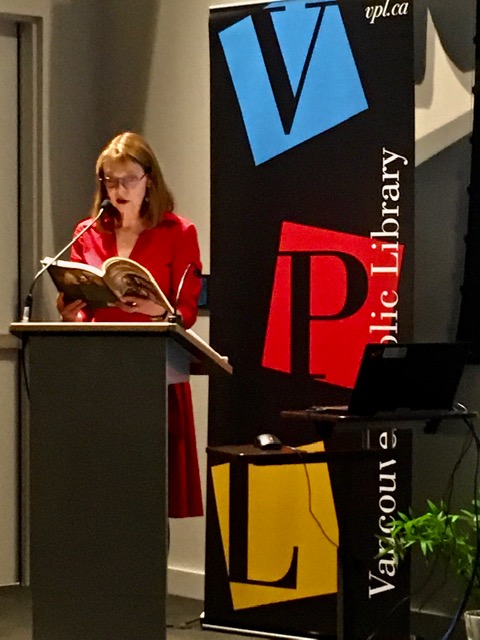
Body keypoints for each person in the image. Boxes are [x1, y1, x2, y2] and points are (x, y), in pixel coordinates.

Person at [57, 131, 203, 518]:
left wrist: (157, 310)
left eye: (128, 180)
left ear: (149, 180)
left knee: (149, 498)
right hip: (98, 371)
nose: (118, 190)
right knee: (100, 494)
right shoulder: (87, 232)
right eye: (110, 180)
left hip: (154, 372)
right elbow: (86, 307)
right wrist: (73, 315)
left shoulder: (178, 232)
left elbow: (186, 310)